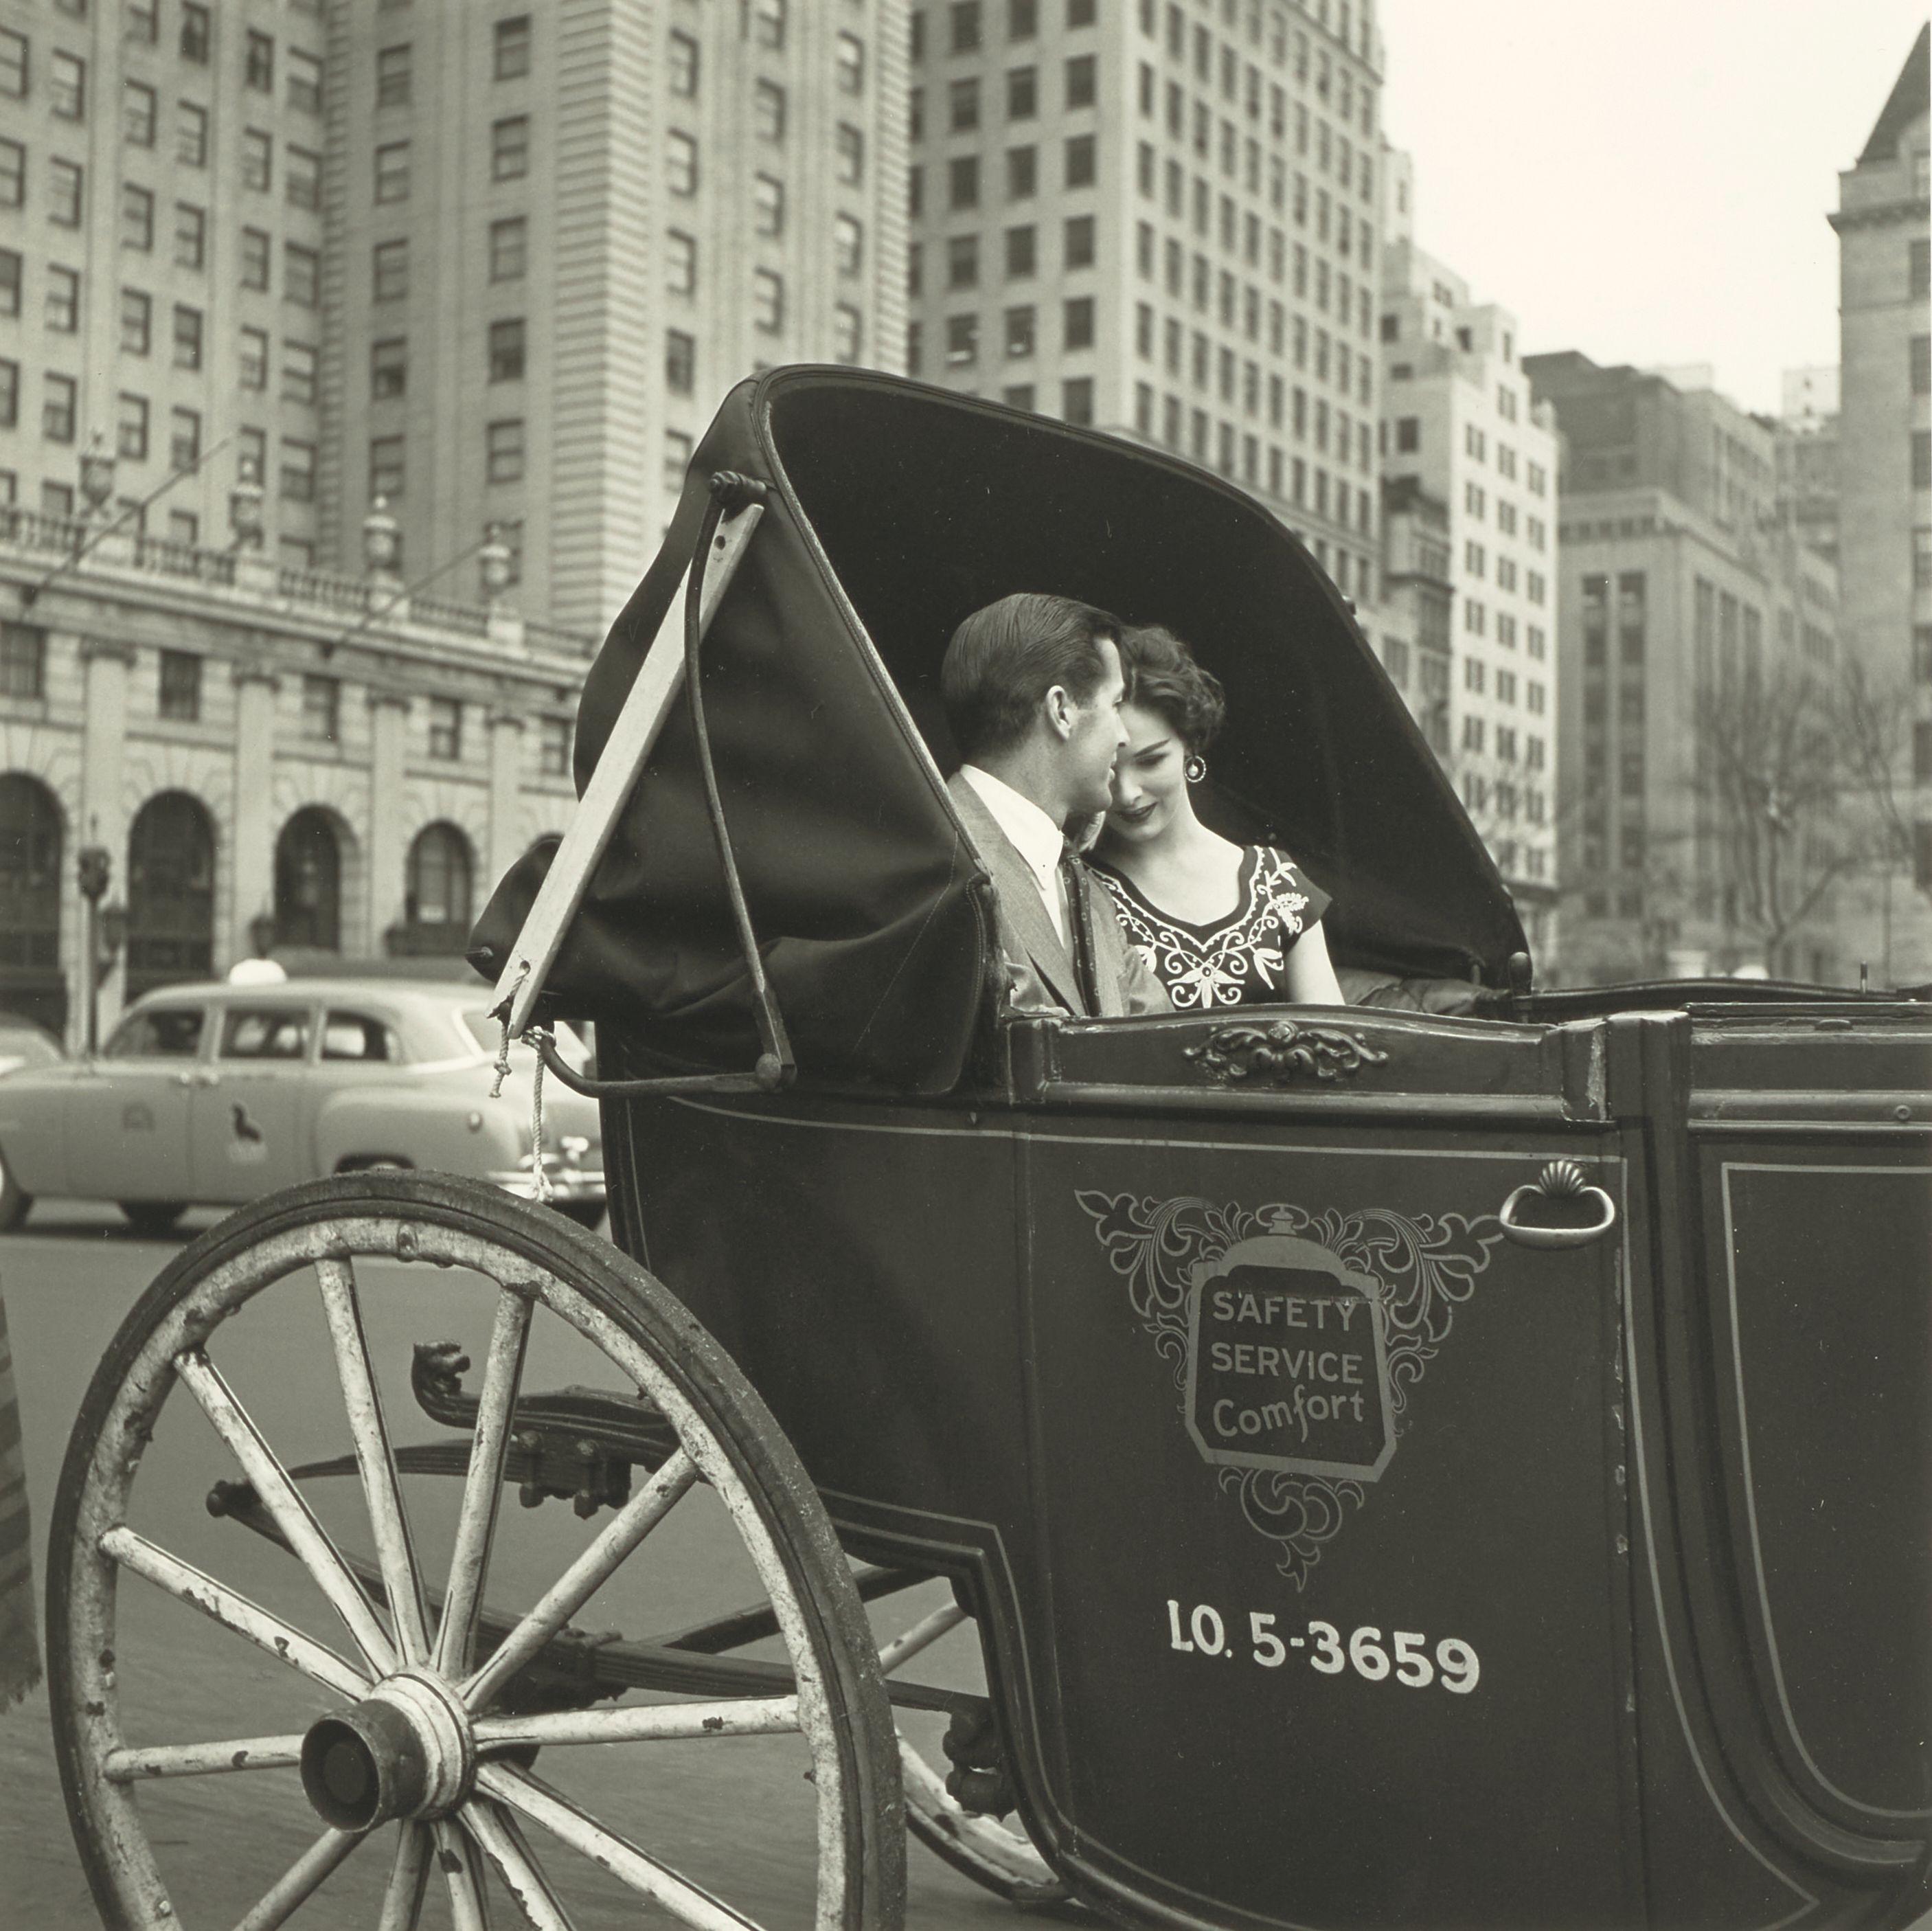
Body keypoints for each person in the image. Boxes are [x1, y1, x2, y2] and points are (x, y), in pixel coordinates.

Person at [1089, 623, 1344, 1010]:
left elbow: (1334, 1045)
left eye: (1152, 760)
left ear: (1189, 743)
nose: (1127, 793)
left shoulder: (1278, 884)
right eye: (1109, 766)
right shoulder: (1079, 889)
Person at [940, 594, 1171, 1019]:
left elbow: (1165, 1042)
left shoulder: (1089, 893)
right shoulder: (939, 863)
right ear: (1061, 711)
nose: (1123, 737)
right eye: (1115, 705)